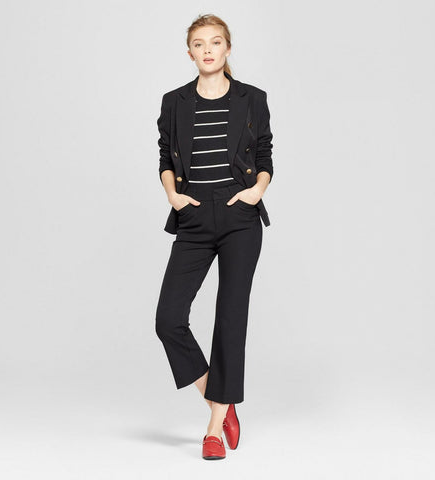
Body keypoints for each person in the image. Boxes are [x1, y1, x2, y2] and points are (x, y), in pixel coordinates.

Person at [155, 13, 274, 460]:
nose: (208, 50)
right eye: (199, 44)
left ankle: (211, 429)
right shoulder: (174, 102)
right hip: (193, 214)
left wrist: (257, 190)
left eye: (216, 42)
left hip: (238, 214)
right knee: (169, 319)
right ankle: (220, 402)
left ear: (227, 48)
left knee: (230, 318)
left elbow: (264, 153)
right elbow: (166, 156)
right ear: (190, 53)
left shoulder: (252, 98)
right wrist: (172, 195)